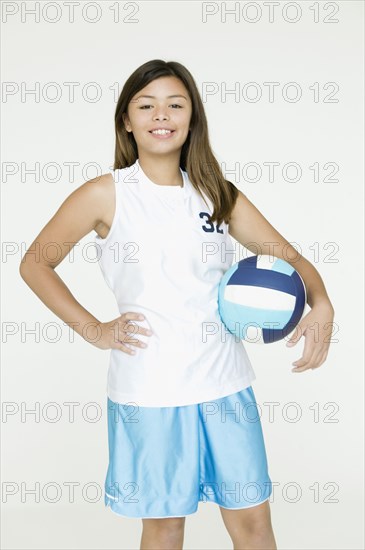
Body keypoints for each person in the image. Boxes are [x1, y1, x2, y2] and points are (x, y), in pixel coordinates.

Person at [19, 59, 335, 550]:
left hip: (226, 384)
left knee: (252, 524)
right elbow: (35, 264)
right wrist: (94, 329)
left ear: (192, 118)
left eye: (174, 104)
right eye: (145, 105)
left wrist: (323, 305)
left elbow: (288, 257)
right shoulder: (107, 194)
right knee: (165, 527)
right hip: (149, 390)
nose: (160, 115)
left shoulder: (218, 195)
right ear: (127, 120)